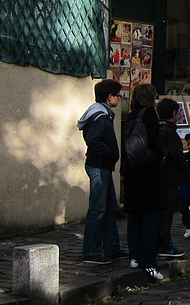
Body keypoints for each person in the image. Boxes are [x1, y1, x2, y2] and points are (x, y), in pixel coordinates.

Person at [77, 79, 126, 265]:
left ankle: (111, 248)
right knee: (98, 209)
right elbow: (94, 141)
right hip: (98, 166)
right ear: (110, 97)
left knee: (110, 208)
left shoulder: (103, 113)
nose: (119, 99)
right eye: (118, 95)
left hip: (104, 166)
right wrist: (111, 153)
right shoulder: (99, 115)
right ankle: (91, 251)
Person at [123, 83, 166, 281]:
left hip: (133, 170)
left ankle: (134, 256)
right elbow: (155, 142)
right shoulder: (149, 114)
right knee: (151, 216)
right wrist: (161, 154)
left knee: (135, 215)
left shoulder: (131, 115)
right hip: (149, 170)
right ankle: (149, 261)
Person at [156, 98, 187, 258]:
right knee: (167, 212)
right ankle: (164, 244)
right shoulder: (170, 132)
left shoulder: (157, 129)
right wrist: (185, 168)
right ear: (174, 113)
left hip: (158, 176)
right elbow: (176, 155)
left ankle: (158, 242)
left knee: (160, 211)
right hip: (169, 177)